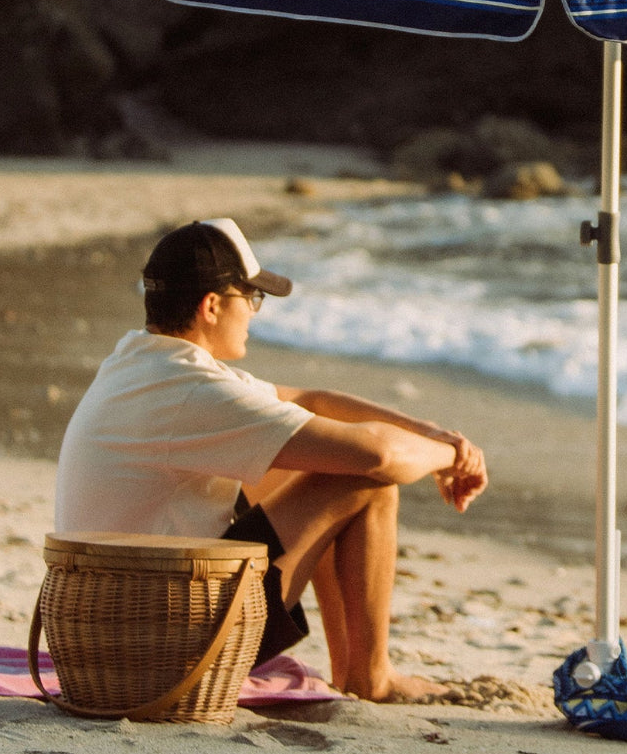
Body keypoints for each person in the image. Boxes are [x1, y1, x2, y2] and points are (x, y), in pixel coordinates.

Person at [55, 218, 488, 703]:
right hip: (161, 652)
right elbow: (379, 457)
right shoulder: (195, 392)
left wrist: (431, 433)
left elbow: (311, 400)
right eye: (251, 298)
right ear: (212, 306)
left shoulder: (140, 363)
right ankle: (371, 677)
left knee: (319, 458)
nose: (255, 314)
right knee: (363, 480)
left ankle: (354, 670)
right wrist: (452, 457)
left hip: (101, 637)